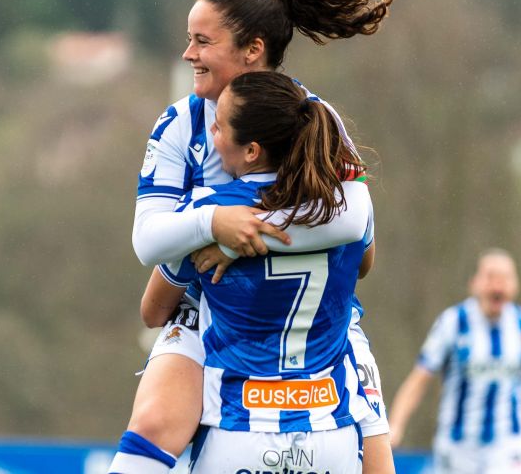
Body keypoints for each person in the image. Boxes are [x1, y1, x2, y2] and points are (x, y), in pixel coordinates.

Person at [109, 0, 409, 474]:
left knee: (376, 452)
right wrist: (213, 224)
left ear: (253, 51)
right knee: (153, 425)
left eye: (202, 41)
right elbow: (150, 244)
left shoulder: (313, 118)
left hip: (318, 318)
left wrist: (237, 235)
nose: (186, 53)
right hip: (204, 308)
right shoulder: (177, 124)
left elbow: (360, 238)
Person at [146, 71, 391, 472]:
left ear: (251, 151)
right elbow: (365, 265)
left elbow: (153, 311)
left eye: (220, 126)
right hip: (330, 435)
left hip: (237, 432)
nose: (211, 131)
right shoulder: (345, 207)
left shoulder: (205, 210)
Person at [387, 248, 521, 474]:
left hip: (510, 443)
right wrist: (396, 424)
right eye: (490, 277)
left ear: (516, 285)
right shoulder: (453, 323)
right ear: (475, 283)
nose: (497, 285)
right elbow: (420, 378)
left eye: (505, 278)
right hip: (457, 445)